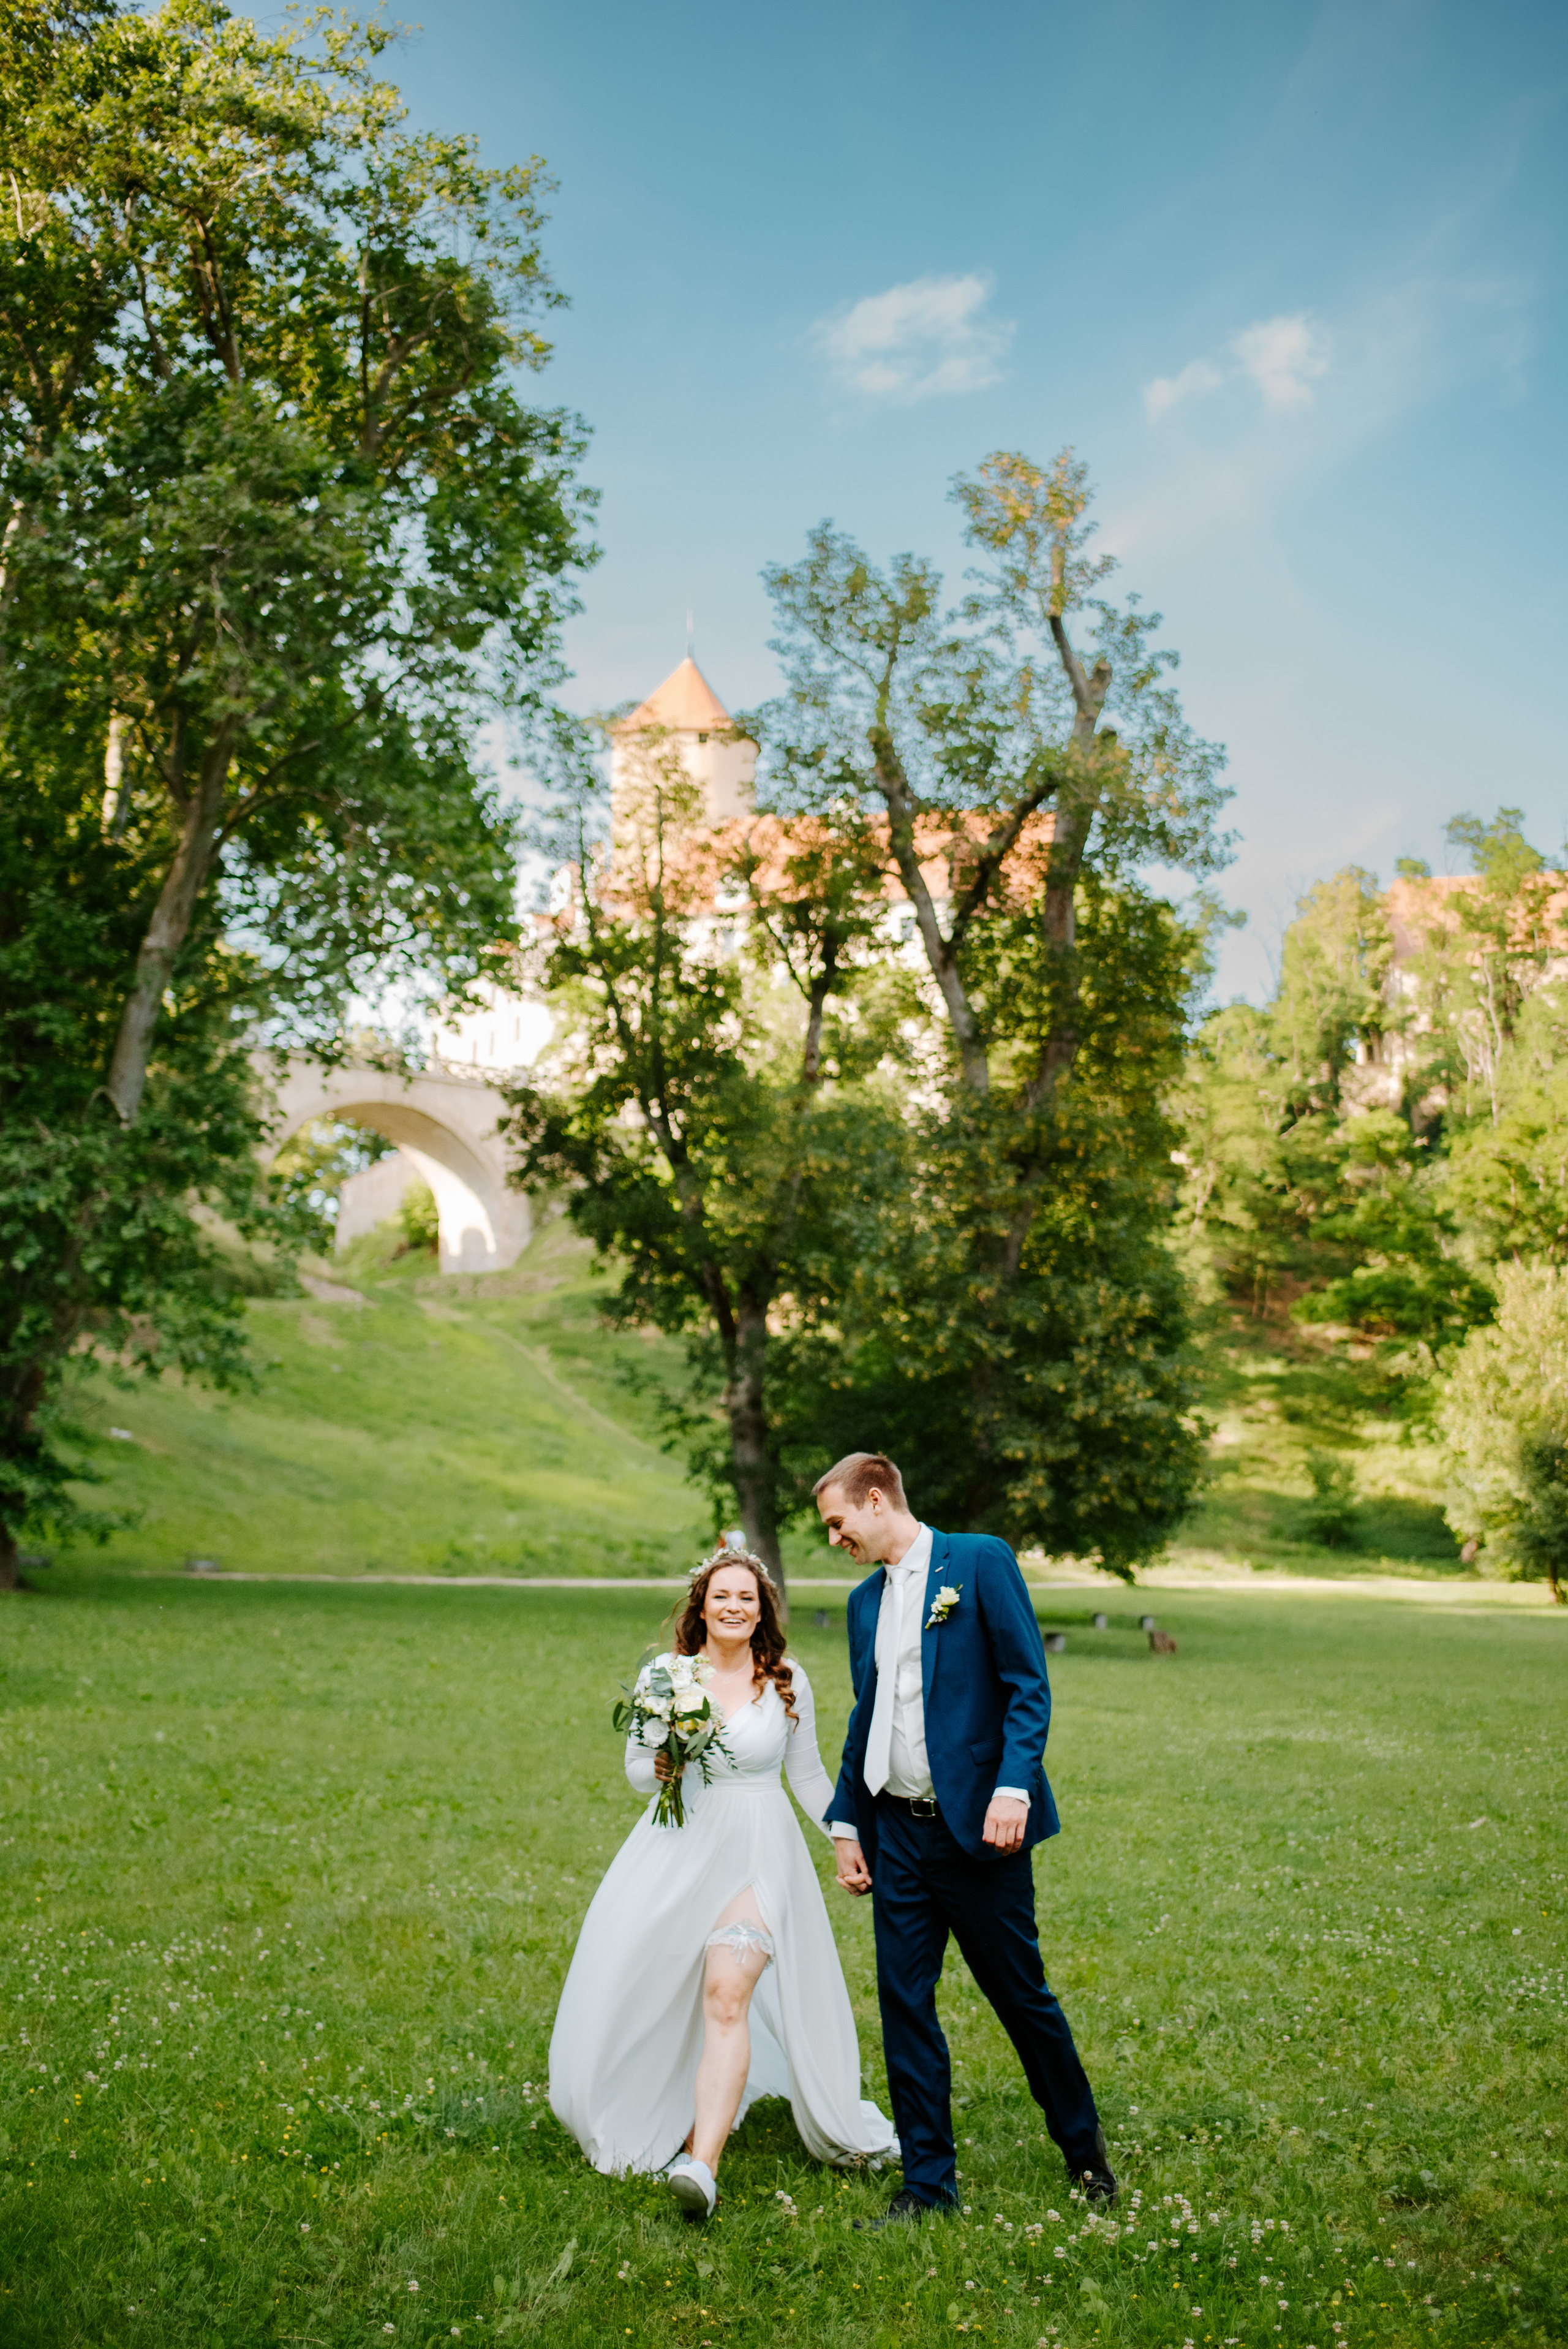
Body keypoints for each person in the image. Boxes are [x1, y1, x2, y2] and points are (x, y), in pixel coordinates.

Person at [548, 1543, 897, 2219]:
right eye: (722, 1597)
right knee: (653, 1990)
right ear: (701, 1609)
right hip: (676, 1849)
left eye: (747, 1598)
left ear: (762, 1609)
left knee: (727, 1993)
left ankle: (700, 2166)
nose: (734, 1607)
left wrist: (847, 1841)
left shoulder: (787, 1679)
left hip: (759, 1854)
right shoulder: (666, 1676)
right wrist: (668, 1763)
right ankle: (656, 2102)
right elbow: (636, 1770)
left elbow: (807, 1776)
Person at [815, 1450, 1115, 2227]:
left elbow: (1027, 1684)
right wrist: (847, 1823)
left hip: (982, 1835)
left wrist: (1012, 1788)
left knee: (1022, 2000)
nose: (834, 1539)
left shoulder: (977, 1562)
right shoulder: (861, 1605)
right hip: (896, 1836)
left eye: (837, 1522)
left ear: (875, 1499)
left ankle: (1085, 2157)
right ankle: (926, 2186)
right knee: (904, 2005)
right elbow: (865, 1719)